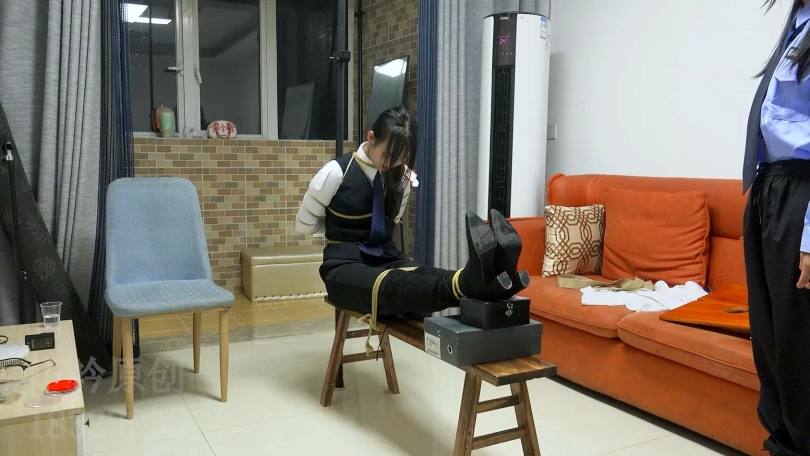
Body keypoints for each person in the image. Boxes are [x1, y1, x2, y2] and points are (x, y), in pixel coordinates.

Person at [294, 106, 529, 335]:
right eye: (389, 155)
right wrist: (338, 230)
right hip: (343, 266)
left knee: (426, 273)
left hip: (385, 257)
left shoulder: (403, 178)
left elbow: (392, 222)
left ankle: (485, 282)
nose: (392, 163)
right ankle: (468, 284)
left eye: (401, 158)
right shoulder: (335, 173)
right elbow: (304, 224)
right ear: (371, 137)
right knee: (396, 283)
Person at [744, 0, 810, 454]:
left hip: (801, 193)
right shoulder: (797, 22)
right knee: (768, 341)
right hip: (770, 187)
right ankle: (782, 444)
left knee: (796, 344)